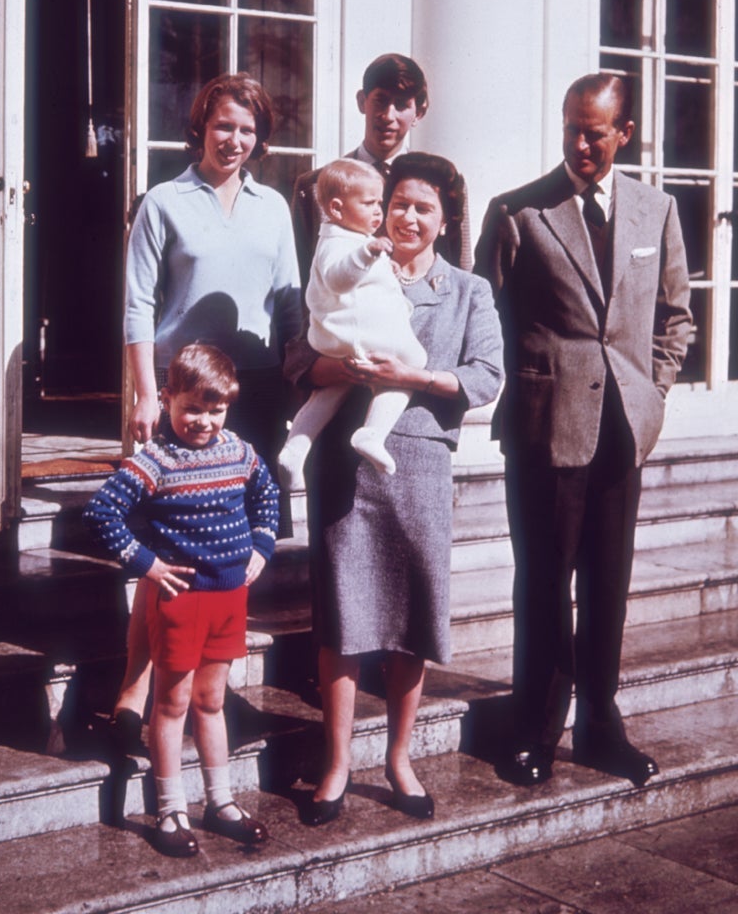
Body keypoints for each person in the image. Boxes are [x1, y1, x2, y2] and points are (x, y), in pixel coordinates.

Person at [474, 73, 692, 789]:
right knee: (544, 582)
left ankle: (600, 725)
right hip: (546, 430)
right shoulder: (519, 212)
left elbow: (673, 317)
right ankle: (534, 730)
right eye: (571, 127)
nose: (579, 143)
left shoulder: (656, 211)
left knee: (609, 584)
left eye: (594, 131)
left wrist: (652, 393)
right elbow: (489, 317)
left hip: (623, 429)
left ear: (624, 133)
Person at [285, 152, 503, 825]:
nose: (406, 216)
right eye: (398, 202)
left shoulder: (468, 290)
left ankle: (399, 758)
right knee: (342, 618)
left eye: (422, 207)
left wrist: (416, 378)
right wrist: (341, 367)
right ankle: (336, 763)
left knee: (413, 616)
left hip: (418, 460)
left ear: (443, 220)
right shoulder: (347, 265)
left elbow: (486, 376)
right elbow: (298, 360)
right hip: (345, 466)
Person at [112, 71, 302, 750]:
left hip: (252, 393)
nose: (235, 140)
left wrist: (305, 369)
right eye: (224, 125)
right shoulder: (165, 201)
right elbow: (137, 302)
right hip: (181, 393)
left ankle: (213, 685)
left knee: (227, 548)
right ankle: (137, 687)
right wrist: (144, 394)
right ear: (201, 126)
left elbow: (289, 300)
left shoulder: (273, 207)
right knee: (164, 551)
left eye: (248, 130)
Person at [84, 344, 279, 857]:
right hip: (180, 601)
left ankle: (221, 803)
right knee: (169, 706)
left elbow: (267, 494)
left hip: (229, 598)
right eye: (193, 408)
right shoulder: (155, 460)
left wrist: (262, 543)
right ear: (166, 398)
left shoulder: (239, 451)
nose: (205, 421)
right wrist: (146, 564)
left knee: (211, 701)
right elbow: (104, 512)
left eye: (216, 410)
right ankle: (169, 809)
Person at [278, 158, 427, 488]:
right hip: (356, 332)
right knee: (414, 362)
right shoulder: (339, 242)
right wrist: (369, 253)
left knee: (331, 391)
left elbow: (375, 288)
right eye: (369, 203)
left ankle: (296, 448)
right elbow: (338, 279)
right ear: (336, 207)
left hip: (342, 337)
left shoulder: (350, 238)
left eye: (380, 202)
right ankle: (372, 433)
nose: (378, 211)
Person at [291, 53, 473, 285]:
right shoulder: (316, 186)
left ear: (419, 112)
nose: (388, 116)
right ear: (361, 101)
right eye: (380, 100)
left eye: (401, 105)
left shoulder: (444, 182)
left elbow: (462, 268)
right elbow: (302, 280)